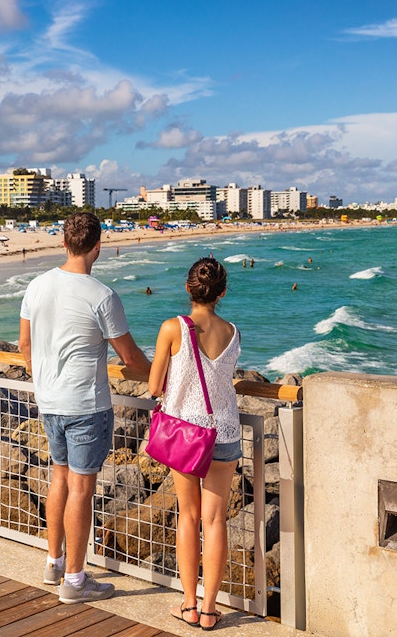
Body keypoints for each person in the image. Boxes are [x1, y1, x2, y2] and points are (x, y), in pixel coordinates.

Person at [19, 212, 151, 605]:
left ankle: (54, 562)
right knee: (81, 488)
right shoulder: (101, 295)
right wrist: (166, 375)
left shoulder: (36, 285)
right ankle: (75, 581)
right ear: (97, 246)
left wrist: (42, 376)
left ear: (64, 243)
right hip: (86, 406)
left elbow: (25, 345)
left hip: (50, 402)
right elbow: (129, 358)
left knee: (59, 478)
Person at [148, 257, 241, 631]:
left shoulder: (174, 327)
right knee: (215, 520)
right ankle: (209, 610)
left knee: (188, 516)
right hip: (226, 433)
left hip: (187, 434)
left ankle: (188, 605)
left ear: (189, 289)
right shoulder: (234, 331)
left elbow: (155, 386)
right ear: (221, 293)